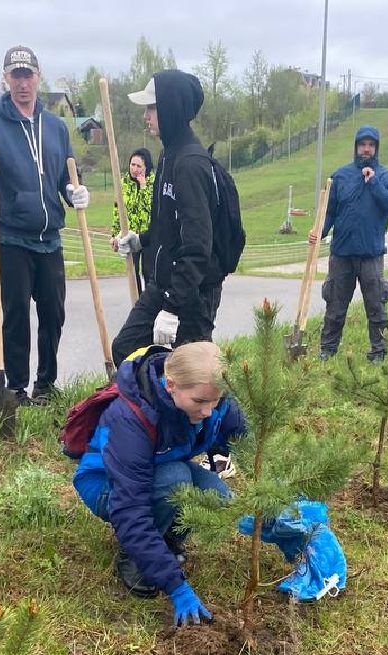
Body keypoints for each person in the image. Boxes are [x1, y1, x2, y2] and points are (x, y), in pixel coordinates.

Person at [73, 341, 245, 626]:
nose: (208, 411)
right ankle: (137, 557)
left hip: (161, 469)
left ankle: (166, 539)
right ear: (171, 385)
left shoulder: (213, 399)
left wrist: (281, 520)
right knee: (176, 482)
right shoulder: (130, 418)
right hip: (107, 486)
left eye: (215, 401)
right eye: (200, 402)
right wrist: (176, 586)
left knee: (218, 496)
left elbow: (254, 443)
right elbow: (129, 509)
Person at [0, 46, 88, 406]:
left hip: (50, 237)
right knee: (16, 314)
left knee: (54, 314)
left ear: (38, 76)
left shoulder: (56, 126)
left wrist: (73, 190)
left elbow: (68, 172)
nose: (22, 83)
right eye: (15, 76)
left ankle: (46, 385)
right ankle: (16, 388)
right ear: (6, 78)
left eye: (28, 75)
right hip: (12, 236)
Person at [110, 70, 226, 367]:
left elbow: (198, 246)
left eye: (152, 108)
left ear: (171, 108)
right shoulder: (167, 157)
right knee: (125, 350)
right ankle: (152, 411)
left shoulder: (191, 165)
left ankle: (212, 414)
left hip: (192, 292)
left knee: (192, 375)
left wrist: (174, 307)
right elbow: (168, 228)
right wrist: (140, 241)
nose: (146, 116)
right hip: (162, 284)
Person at [312, 124, 388, 361]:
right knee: (335, 305)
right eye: (362, 145)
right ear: (355, 147)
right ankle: (328, 350)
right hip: (342, 254)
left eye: (371, 145)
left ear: (376, 149)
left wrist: (374, 183)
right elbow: (328, 213)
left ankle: (379, 352)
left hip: (371, 255)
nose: (366, 150)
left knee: (376, 306)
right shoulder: (339, 177)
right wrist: (318, 232)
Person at [109, 146, 154, 288]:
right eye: (132, 165)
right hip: (130, 234)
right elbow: (118, 210)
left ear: (146, 167)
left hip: (147, 236)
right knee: (132, 272)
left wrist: (143, 187)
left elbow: (150, 208)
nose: (134, 169)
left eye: (139, 166)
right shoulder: (124, 183)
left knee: (148, 271)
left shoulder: (154, 182)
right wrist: (115, 234)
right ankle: (137, 303)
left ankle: (150, 303)